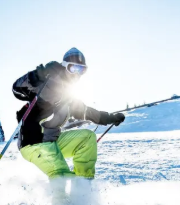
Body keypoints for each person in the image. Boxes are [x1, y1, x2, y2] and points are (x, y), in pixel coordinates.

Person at [12, 47, 125, 179]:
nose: (77, 74)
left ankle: (83, 185)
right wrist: (35, 76)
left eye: (82, 70)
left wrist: (110, 118)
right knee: (61, 174)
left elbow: (87, 112)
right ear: (65, 66)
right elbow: (17, 89)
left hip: (52, 141)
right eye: (74, 68)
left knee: (87, 138)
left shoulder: (69, 97)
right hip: (33, 142)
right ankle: (63, 199)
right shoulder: (47, 80)